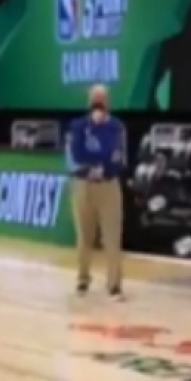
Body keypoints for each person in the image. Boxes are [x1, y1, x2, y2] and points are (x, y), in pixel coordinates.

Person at [65, 85, 126, 300]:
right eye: (94, 99)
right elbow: (76, 154)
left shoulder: (117, 127)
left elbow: (118, 156)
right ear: (88, 102)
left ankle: (114, 285)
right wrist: (93, 166)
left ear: (108, 102)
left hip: (108, 186)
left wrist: (103, 168)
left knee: (112, 237)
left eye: (102, 99)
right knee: (84, 237)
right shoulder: (78, 126)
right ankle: (83, 279)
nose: (98, 103)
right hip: (83, 186)